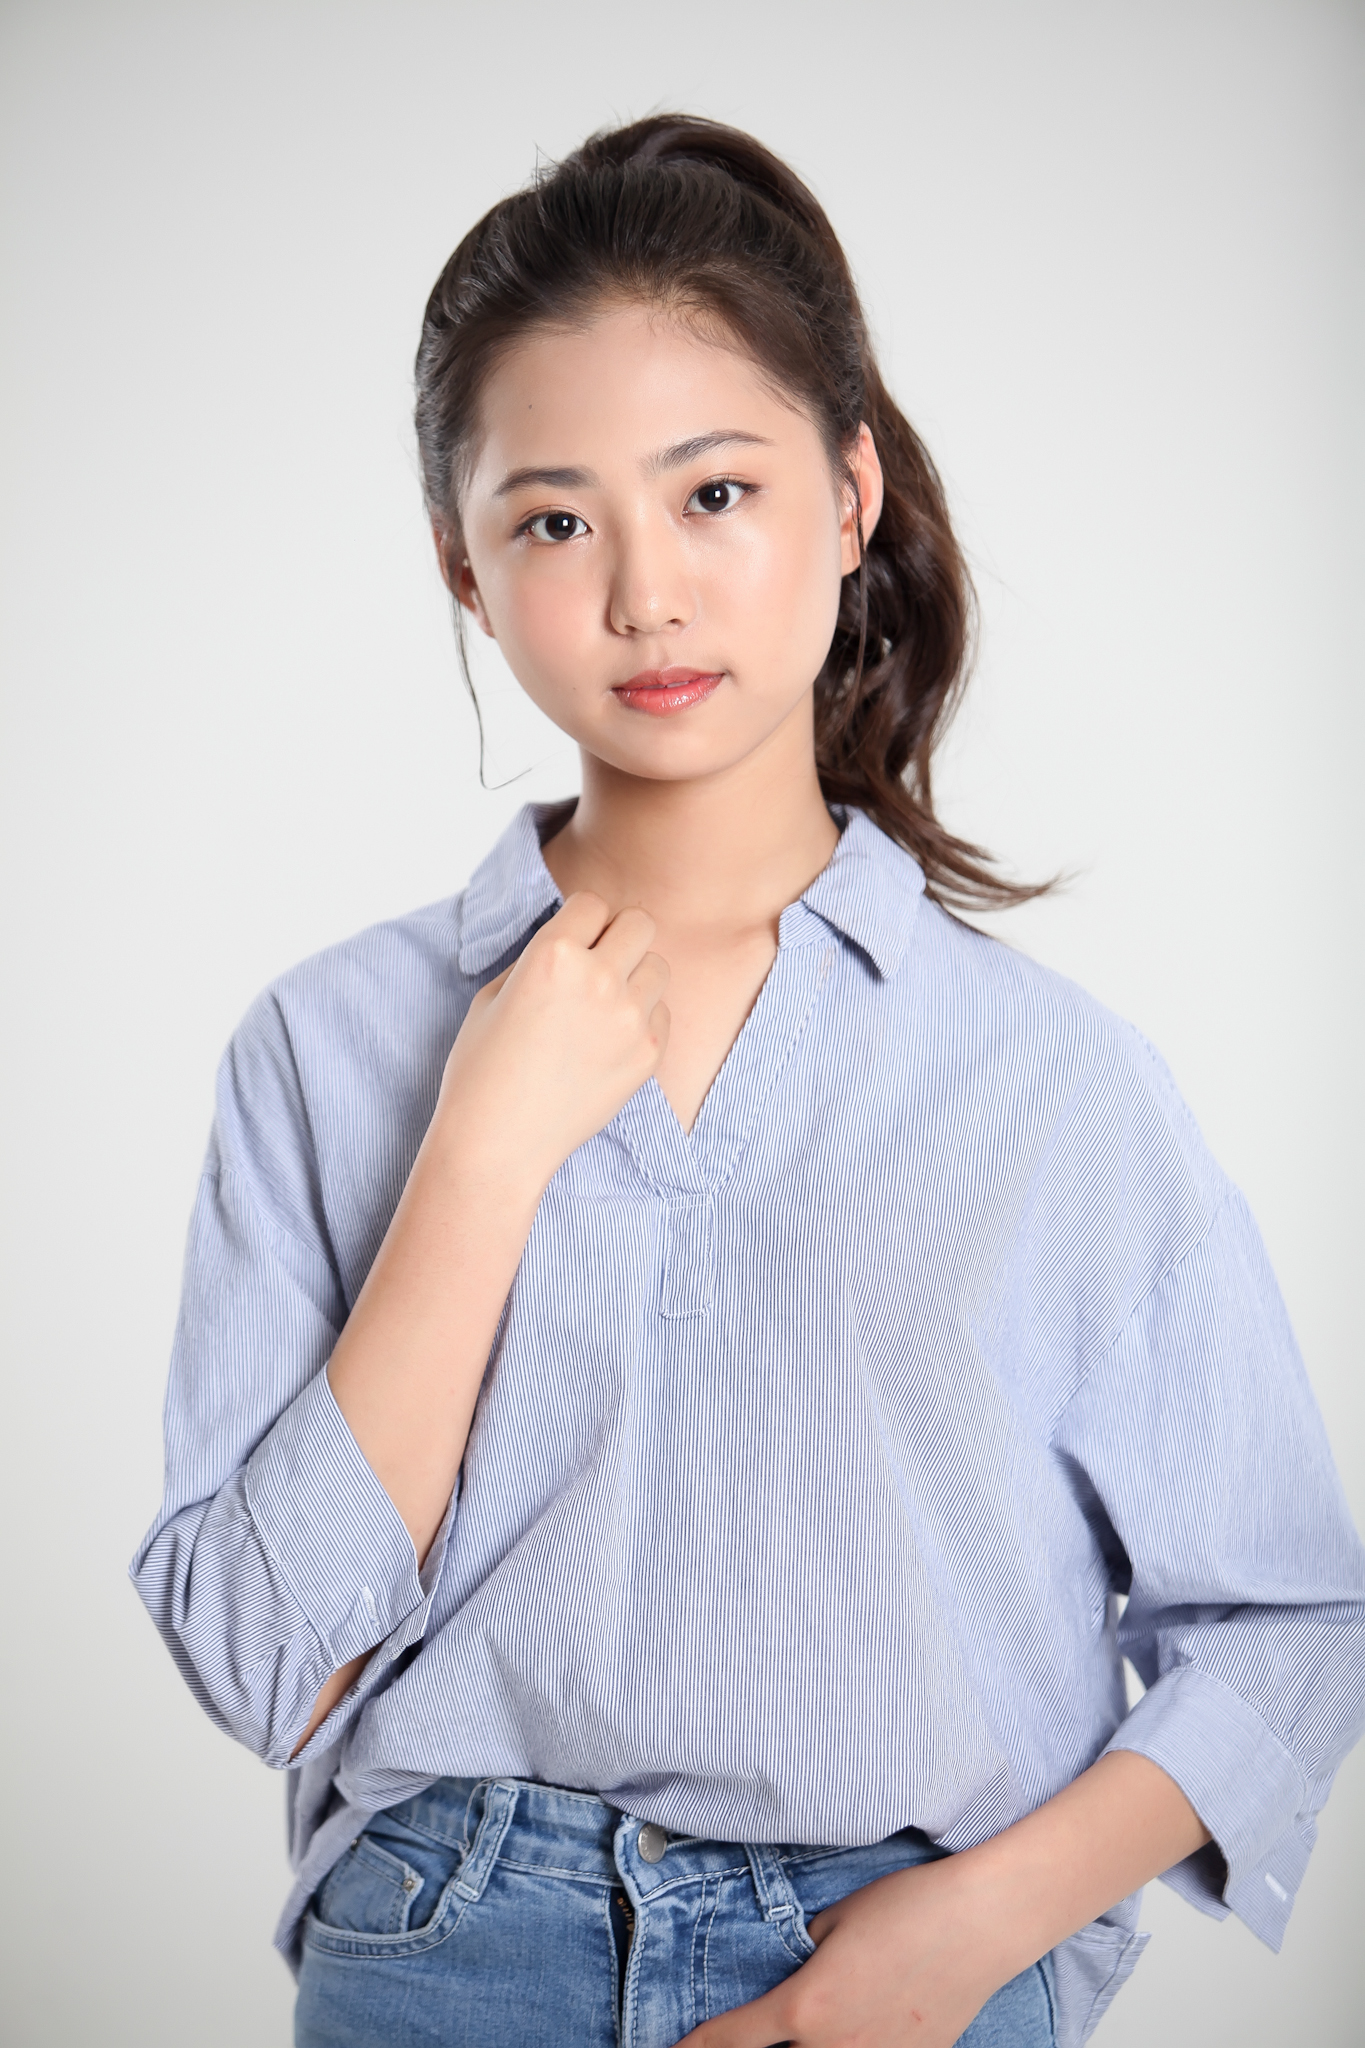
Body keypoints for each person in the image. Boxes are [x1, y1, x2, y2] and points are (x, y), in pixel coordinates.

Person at [131, 115, 1365, 2048]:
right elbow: (258, 1658)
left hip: (910, 1958)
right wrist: (480, 1149)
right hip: (448, 1952)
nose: (645, 593)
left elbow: (1287, 1629)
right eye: (555, 523)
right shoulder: (325, 1046)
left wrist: (960, 1937)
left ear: (850, 494)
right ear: (463, 568)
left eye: (715, 492)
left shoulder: (1052, 1084)